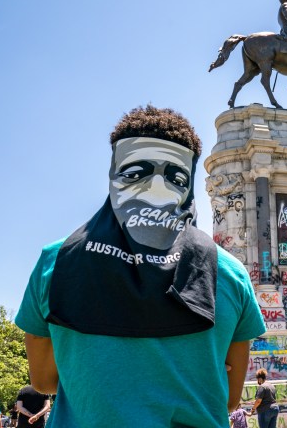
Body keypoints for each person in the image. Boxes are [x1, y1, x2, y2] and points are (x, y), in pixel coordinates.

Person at [15, 105, 266, 427]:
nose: (158, 187)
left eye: (171, 176)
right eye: (140, 173)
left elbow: (44, 381)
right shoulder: (230, 273)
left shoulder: (56, 261)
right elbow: (229, 398)